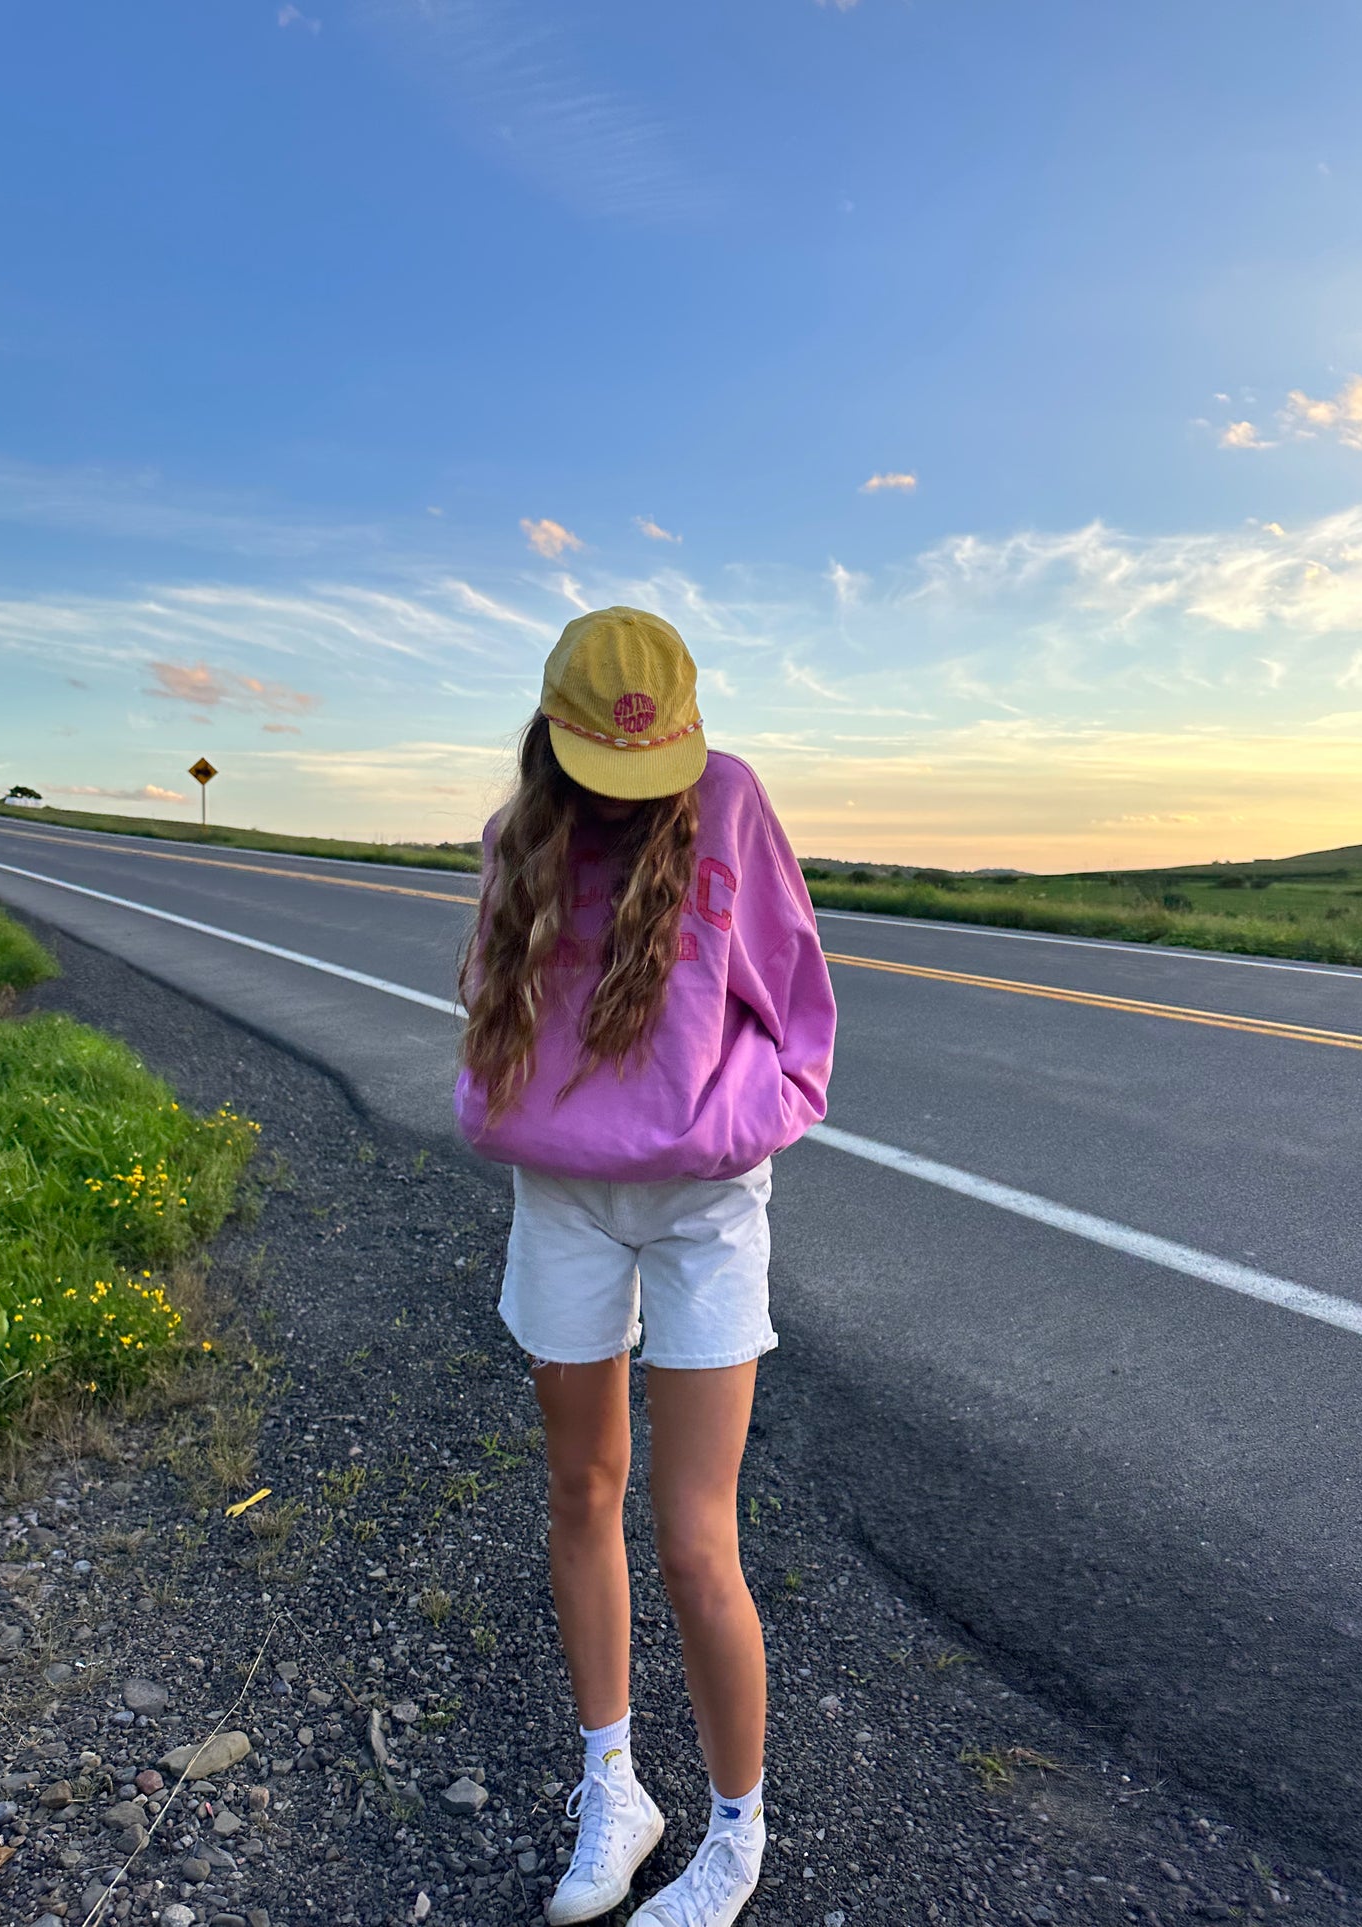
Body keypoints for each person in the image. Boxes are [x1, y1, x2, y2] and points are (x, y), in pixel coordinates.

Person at [455, 605, 837, 1927]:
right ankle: (614, 1788)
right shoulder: (517, 836)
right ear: (555, 736)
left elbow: (798, 1017)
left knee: (692, 1539)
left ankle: (736, 1834)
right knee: (578, 1491)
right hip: (561, 1198)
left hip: (702, 1210)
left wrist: (717, 1130)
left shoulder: (726, 800)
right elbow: (493, 1011)